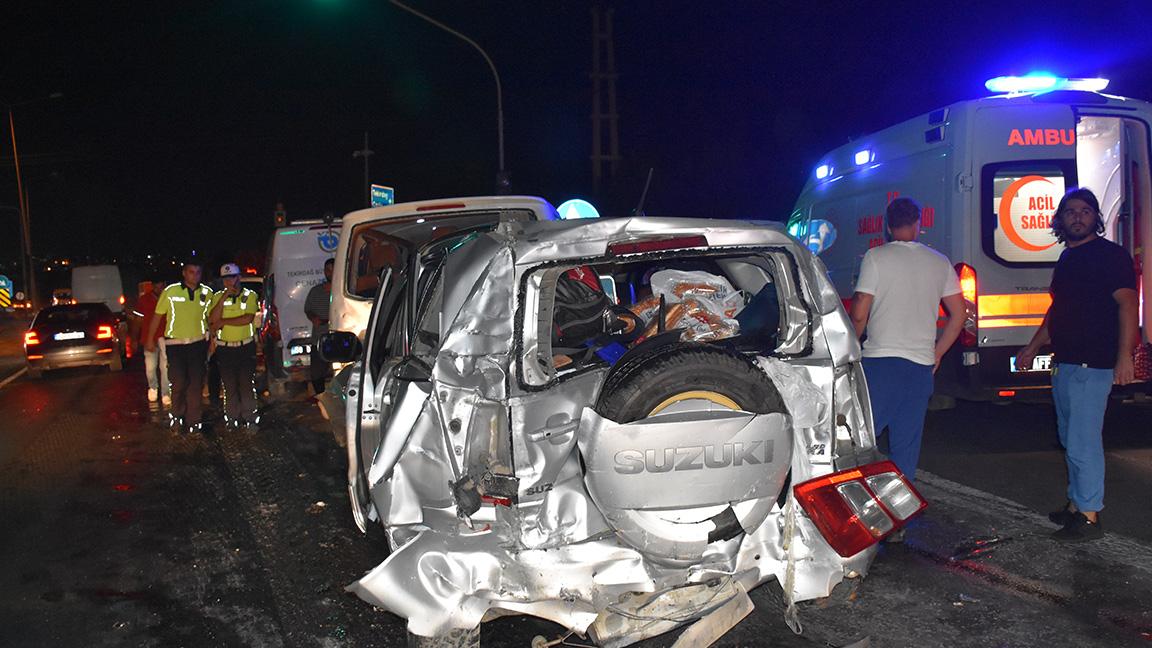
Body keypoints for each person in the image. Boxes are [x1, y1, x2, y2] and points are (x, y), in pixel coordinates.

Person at [1016, 187, 1138, 542]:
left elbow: (1128, 305)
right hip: (1065, 362)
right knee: (1069, 439)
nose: (1078, 216)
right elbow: (1057, 311)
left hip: (1093, 363)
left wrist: (1125, 356)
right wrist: (1032, 347)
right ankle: (1075, 505)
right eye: (1071, 211)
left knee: (1083, 442)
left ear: (1095, 217)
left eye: (1085, 211)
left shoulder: (1110, 256)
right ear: (1060, 220)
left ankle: (1089, 516)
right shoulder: (1068, 259)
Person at [849, 197, 965, 492]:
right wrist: (937, 353)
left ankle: (862, 509)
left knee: (863, 439)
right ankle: (899, 516)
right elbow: (959, 315)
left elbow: (861, 308)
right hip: (920, 367)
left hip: (880, 363)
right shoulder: (939, 262)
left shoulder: (875, 257)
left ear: (888, 226)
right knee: (906, 445)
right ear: (918, 224)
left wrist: (850, 346)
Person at [145, 261, 213, 434]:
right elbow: (157, 316)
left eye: (198, 272)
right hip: (176, 345)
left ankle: (194, 421)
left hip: (198, 344)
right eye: (191, 272)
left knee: (195, 384)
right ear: (184, 273)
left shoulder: (207, 292)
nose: (195, 275)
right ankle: (177, 416)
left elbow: (212, 318)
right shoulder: (171, 292)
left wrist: (213, 338)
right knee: (179, 382)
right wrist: (150, 339)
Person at [209, 263, 260, 430]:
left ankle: (250, 419)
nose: (229, 281)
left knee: (245, 384)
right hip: (225, 349)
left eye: (232, 277)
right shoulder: (217, 298)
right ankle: (232, 418)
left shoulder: (250, 295)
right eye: (225, 278)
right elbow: (212, 321)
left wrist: (223, 321)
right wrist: (223, 298)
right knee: (229, 385)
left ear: (239, 278)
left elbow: (247, 318)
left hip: (245, 347)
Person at [136, 276, 171, 406]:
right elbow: (138, 320)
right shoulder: (144, 300)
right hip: (148, 338)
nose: (159, 289)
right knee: (150, 367)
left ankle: (166, 393)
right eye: (157, 286)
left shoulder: (169, 298)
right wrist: (136, 338)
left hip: (165, 338)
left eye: (161, 286)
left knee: (165, 368)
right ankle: (153, 387)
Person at [304, 258, 334, 395]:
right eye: (328, 270)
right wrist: (313, 318)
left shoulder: (343, 290)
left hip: (338, 339)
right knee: (316, 374)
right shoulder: (315, 291)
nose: (331, 273)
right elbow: (308, 309)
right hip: (319, 339)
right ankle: (321, 398)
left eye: (334, 269)